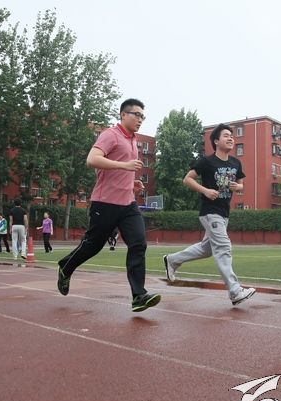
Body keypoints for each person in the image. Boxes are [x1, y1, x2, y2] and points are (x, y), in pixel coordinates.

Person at [57, 98, 161, 313]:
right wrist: (125, 166)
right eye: (137, 115)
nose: (140, 119)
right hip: (105, 203)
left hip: (128, 204)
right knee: (93, 245)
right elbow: (92, 159)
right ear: (123, 114)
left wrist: (132, 182)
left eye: (143, 116)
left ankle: (139, 295)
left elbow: (119, 171)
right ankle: (66, 267)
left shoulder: (133, 140)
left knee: (138, 244)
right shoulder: (110, 135)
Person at [162, 124, 255, 306]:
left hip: (224, 213)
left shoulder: (236, 163)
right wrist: (205, 190)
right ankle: (235, 291)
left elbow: (241, 184)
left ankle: (172, 260)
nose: (231, 138)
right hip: (210, 212)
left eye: (232, 136)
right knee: (223, 247)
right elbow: (187, 179)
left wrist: (238, 186)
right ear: (216, 141)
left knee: (206, 249)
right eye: (226, 135)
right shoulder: (207, 161)